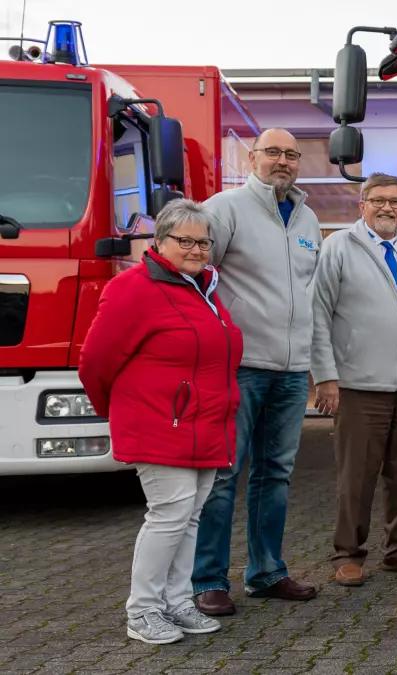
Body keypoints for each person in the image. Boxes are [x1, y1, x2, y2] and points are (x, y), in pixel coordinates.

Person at [80, 200, 243, 644]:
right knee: (169, 515)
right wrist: (119, 413)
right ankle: (143, 610)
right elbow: (95, 362)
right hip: (160, 424)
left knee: (189, 517)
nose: (195, 249)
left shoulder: (203, 288)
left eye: (203, 242)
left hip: (207, 425)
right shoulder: (134, 287)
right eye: (184, 240)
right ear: (160, 242)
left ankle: (176, 602)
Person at [192, 128, 323, 616]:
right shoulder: (223, 209)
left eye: (292, 153)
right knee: (224, 476)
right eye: (273, 152)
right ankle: (207, 579)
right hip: (240, 366)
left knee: (276, 475)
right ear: (253, 158)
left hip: (290, 370)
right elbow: (198, 278)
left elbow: (307, 294)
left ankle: (267, 572)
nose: (283, 161)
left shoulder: (307, 218)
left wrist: (313, 362)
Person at [311, 173, 397, 584]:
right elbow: (318, 315)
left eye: (395, 201)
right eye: (378, 200)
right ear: (362, 204)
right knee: (356, 477)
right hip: (359, 386)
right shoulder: (339, 247)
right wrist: (325, 376)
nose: (387, 207)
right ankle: (348, 554)